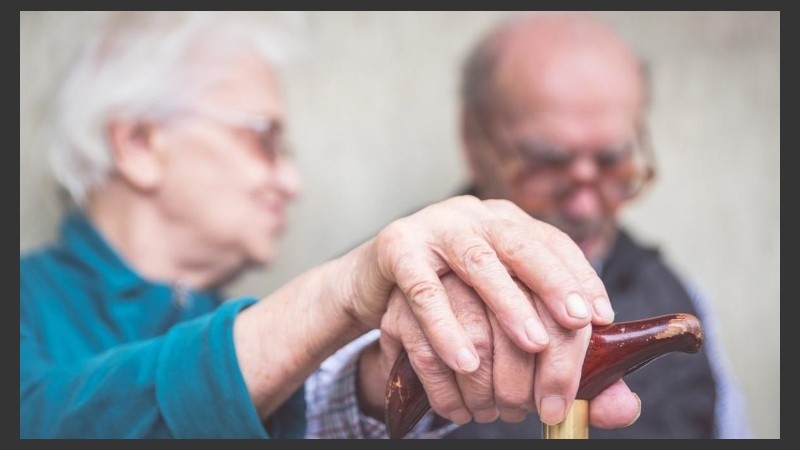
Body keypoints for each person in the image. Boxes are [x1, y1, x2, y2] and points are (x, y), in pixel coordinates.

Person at [19, 12, 641, 438]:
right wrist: (338, 291)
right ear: (138, 142)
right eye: (264, 141)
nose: (293, 183)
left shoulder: (228, 318)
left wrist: (406, 367)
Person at [437, 12, 752, 439]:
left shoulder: (680, 298)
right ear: (474, 142)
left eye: (611, 162)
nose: (585, 208)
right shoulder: (394, 307)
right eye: (548, 162)